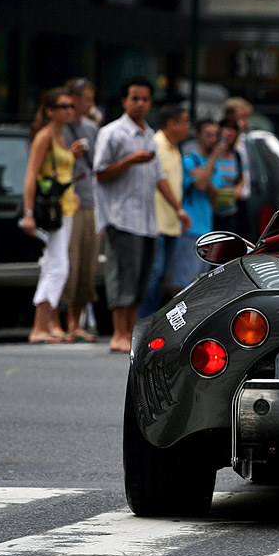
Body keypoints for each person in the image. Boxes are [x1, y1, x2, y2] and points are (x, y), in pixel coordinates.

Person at [93, 77, 190, 354]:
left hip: (148, 220)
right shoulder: (112, 133)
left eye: (145, 99)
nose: (140, 104)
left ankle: (131, 332)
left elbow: (159, 177)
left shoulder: (148, 134)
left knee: (142, 278)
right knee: (123, 276)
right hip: (121, 217)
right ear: (124, 101)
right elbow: (99, 173)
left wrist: (178, 209)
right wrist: (128, 161)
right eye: (134, 98)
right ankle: (119, 333)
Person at [19, 88, 83, 344]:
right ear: (49, 111)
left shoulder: (61, 136)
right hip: (49, 212)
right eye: (63, 106)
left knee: (52, 266)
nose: (69, 110)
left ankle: (42, 326)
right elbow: (31, 175)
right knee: (58, 268)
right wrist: (28, 213)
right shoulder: (44, 136)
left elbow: (60, 175)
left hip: (64, 208)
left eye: (71, 106)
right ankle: (39, 326)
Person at [59, 77, 101, 343]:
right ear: (73, 100)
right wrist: (70, 156)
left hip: (91, 202)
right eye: (87, 99)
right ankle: (62, 323)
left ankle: (77, 323)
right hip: (69, 203)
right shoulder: (59, 129)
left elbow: (98, 164)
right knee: (69, 265)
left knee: (88, 266)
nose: (91, 104)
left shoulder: (92, 128)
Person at [138, 103, 190, 318]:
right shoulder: (156, 144)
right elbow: (158, 181)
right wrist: (179, 209)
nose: (188, 127)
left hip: (171, 223)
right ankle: (143, 319)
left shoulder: (174, 147)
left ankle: (151, 319)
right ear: (171, 124)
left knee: (161, 277)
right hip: (156, 220)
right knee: (154, 273)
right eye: (185, 122)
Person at [173, 119, 223, 294]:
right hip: (190, 230)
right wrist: (212, 162)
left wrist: (204, 175)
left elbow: (216, 195)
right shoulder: (189, 161)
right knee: (183, 284)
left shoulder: (213, 166)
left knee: (198, 286)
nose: (213, 139)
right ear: (198, 136)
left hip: (206, 232)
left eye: (216, 135)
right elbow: (201, 186)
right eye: (208, 135)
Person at [223, 96, 253, 237]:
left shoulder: (245, 141)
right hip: (227, 199)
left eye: (246, 118)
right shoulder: (225, 144)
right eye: (240, 117)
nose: (244, 123)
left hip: (243, 198)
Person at [211, 117, 244, 234]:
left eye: (233, 130)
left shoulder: (237, 156)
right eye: (226, 128)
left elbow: (241, 179)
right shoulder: (210, 153)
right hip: (211, 211)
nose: (229, 133)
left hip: (229, 211)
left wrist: (235, 192)